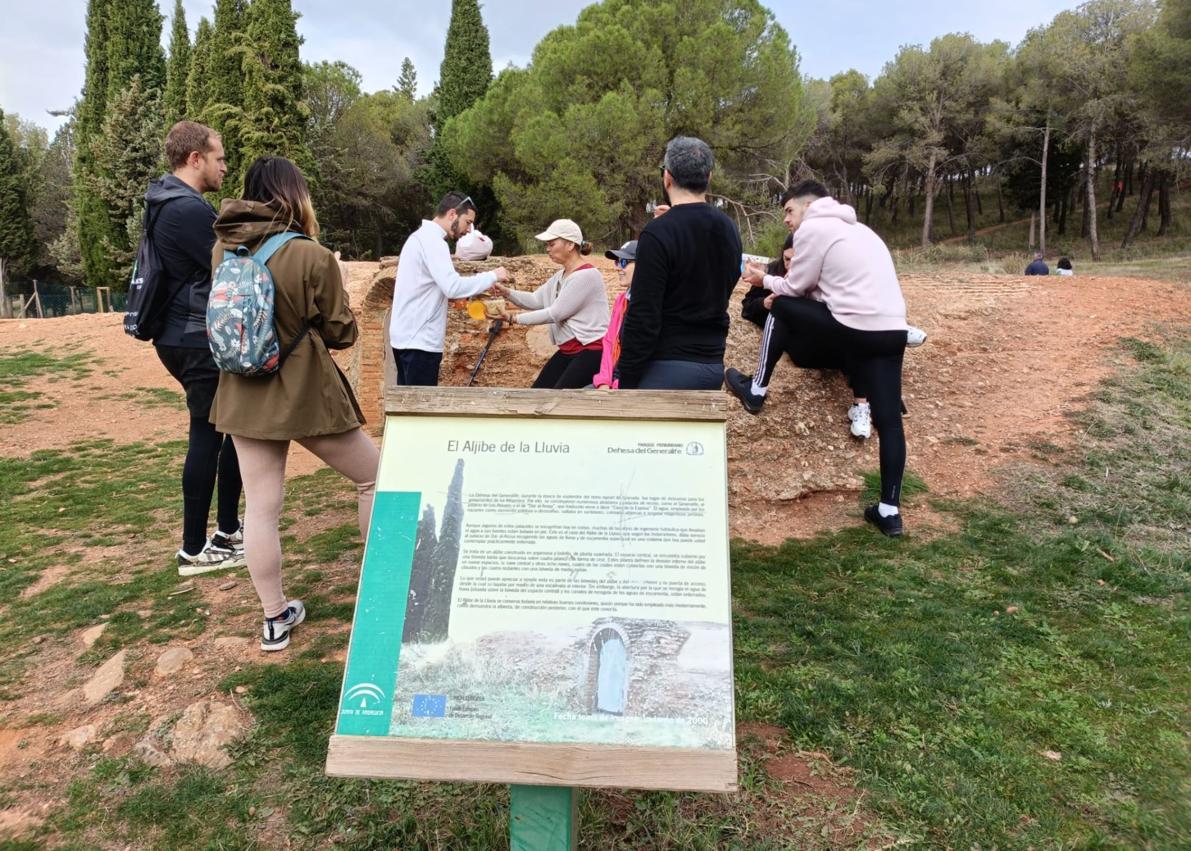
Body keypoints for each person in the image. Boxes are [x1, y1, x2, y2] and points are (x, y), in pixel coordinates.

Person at [208, 156, 379, 651]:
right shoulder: (311, 254)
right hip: (303, 392)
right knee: (374, 477)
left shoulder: (223, 249)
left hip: (242, 392)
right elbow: (341, 333)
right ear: (294, 194)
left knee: (260, 507)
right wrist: (338, 283)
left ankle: (273, 618)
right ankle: (379, 590)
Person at [724, 181, 910, 537]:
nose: (787, 222)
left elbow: (795, 288)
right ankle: (889, 511)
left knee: (781, 303)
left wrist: (764, 280)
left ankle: (757, 389)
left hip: (853, 328)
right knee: (889, 422)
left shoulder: (814, 228)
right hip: (892, 330)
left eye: (789, 211)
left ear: (808, 205)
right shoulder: (862, 230)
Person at [146, 121, 245, 576]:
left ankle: (226, 530)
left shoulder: (174, 202)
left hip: (186, 333)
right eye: (220, 157)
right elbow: (231, 264)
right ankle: (193, 548)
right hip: (193, 335)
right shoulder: (185, 209)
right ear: (195, 159)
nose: (225, 166)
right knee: (207, 433)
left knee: (228, 428)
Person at [614, 136, 742, 389]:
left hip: (664, 365)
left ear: (667, 177)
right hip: (712, 364)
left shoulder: (657, 233)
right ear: (709, 177)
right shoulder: (729, 228)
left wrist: (625, 378)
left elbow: (644, 317)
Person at [390, 192, 510, 386]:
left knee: (408, 411)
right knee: (421, 411)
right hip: (420, 343)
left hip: (407, 338)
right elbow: (452, 287)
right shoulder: (434, 242)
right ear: (453, 214)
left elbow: (434, 287)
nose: (469, 229)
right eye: (467, 222)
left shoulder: (418, 238)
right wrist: (492, 275)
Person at [492, 220, 610, 389]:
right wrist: (507, 293)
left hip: (590, 351)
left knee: (557, 400)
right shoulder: (561, 276)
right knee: (538, 393)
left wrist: (513, 318)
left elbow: (555, 313)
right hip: (570, 351)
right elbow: (535, 300)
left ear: (570, 245)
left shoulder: (587, 275)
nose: (547, 249)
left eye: (552, 244)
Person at [593, 240, 637, 389]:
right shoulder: (622, 300)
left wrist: (619, 385)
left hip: (630, 385)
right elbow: (610, 341)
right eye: (617, 262)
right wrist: (604, 381)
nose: (618, 267)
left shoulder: (654, 304)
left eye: (624, 262)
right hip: (612, 381)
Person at [741, 234, 792, 328]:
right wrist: (763, 303)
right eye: (787, 259)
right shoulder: (772, 269)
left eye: (798, 260)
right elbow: (747, 306)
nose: (790, 265)